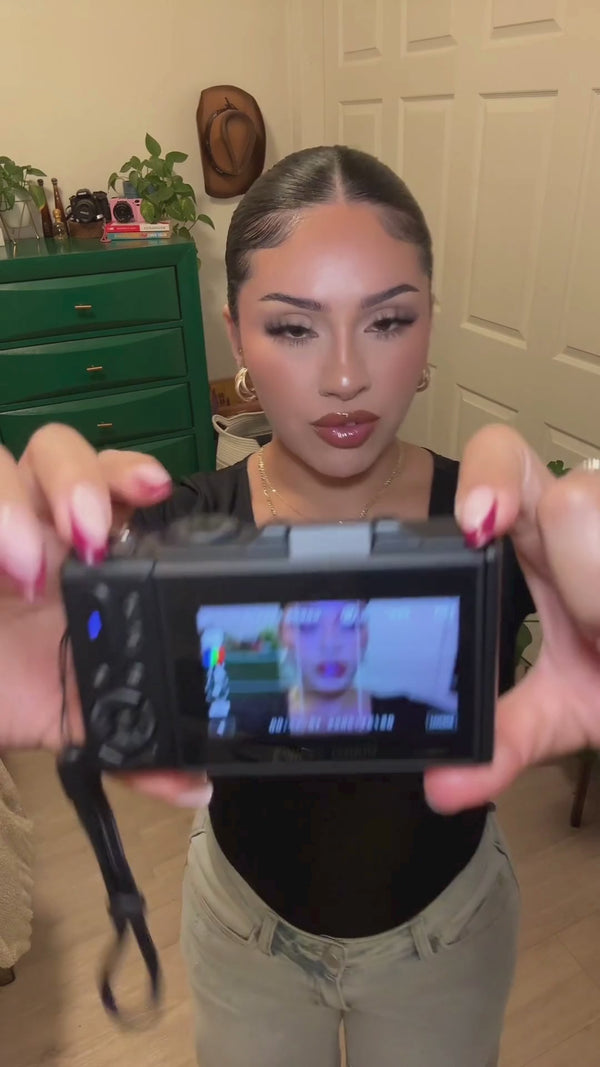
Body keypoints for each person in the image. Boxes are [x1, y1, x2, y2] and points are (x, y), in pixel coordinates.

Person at [0, 146, 600, 1064]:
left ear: (429, 325)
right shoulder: (169, 533)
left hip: (448, 936)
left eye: (388, 320)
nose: (347, 375)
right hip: (245, 936)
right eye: (293, 327)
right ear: (237, 335)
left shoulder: (498, 531)